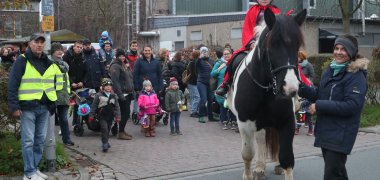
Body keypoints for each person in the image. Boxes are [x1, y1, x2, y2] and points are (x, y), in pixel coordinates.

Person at [298, 34, 369, 180]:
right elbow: (319, 94)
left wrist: (319, 106)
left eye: (343, 49)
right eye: (336, 48)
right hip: (327, 131)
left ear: (351, 53)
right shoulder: (330, 70)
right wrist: (299, 87)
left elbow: (352, 106)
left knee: (332, 174)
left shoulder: (356, 76)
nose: (338, 52)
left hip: (341, 134)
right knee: (337, 173)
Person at [7, 33, 63, 180]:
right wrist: (14, 106)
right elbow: (13, 84)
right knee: (28, 141)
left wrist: (53, 101)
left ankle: (34, 168)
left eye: (41, 42)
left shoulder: (47, 61)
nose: (39, 45)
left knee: (39, 140)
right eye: (36, 42)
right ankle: (29, 173)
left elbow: (53, 82)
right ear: (30, 44)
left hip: (44, 107)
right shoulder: (22, 60)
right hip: (27, 108)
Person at [216, 0, 281, 95]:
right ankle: (226, 84)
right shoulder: (252, 10)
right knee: (235, 58)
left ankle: (297, 84)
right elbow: (247, 29)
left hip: (271, 46)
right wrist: (251, 43)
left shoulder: (276, 11)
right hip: (253, 44)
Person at [50, 42, 75, 146]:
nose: (60, 51)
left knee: (64, 119)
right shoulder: (49, 64)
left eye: (61, 49)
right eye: (57, 50)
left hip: (63, 96)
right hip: (52, 96)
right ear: (52, 52)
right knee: (49, 120)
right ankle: (49, 140)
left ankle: (66, 139)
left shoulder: (64, 65)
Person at [89, 78, 121, 152]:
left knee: (108, 129)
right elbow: (94, 106)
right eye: (106, 86)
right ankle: (105, 143)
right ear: (103, 87)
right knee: (104, 129)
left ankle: (106, 141)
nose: (108, 87)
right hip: (102, 115)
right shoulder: (98, 95)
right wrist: (91, 115)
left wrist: (118, 116)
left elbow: (117, 107)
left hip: (110, 116)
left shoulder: (114, 95)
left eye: (110, 85)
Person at [109, 49, 134, 140]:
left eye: (123, 55)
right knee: (125, 113)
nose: (122, 57)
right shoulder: (115, 66)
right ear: (117, 56)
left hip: (127, 93)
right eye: (120, 56)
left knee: (125, 113)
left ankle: (121, 130)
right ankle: (120, 132)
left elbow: (129, 79)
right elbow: (115, 82)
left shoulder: (124, 65)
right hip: (121, 94)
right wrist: (120, 95)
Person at [211, 48, 237, 130]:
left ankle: (233, 121)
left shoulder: (235, 62)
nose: (226, 55)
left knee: (232, 104)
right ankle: (224, 121)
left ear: (231, 54)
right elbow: (212, 74)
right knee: (223, 105)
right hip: (221, 87)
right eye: (224, 54)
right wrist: (219, 69)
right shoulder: (219, 63)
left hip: (232, 87)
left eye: (227, 54)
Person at [63, 41, 85, 126]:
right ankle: (63, 126)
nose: (79, 49)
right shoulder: (66, 56)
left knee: (77, 105)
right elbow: (65, 72)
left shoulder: (83, 57)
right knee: (67, 106)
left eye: (80, 47)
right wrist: (71, 83)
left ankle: (75, 122)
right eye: (78, 47)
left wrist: (82, 82)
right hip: (69, 84)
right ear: (74, 47)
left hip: (79, 85)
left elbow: (85, 71)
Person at [195, 46, 215, 123]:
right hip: (201, 82)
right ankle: (201, 116)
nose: (205, 53)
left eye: (206, 51)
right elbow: (196, 66)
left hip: (210, 83)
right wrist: (200, 58)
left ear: (208, 52)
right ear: (200, 52)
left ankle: (210, 116)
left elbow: (215, 70)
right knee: (203, 99)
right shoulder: (199, 61)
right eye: (203, 52)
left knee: (210, 99)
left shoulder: (212, 61)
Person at [186, 50, 201, 118]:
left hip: (190, 82)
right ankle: (194, 111)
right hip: (193, 82)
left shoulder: (191, 62)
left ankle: (192, 110)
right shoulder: (194, 63)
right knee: (197, 97)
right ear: (198, 55)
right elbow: (194, 73)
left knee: (193, 97)